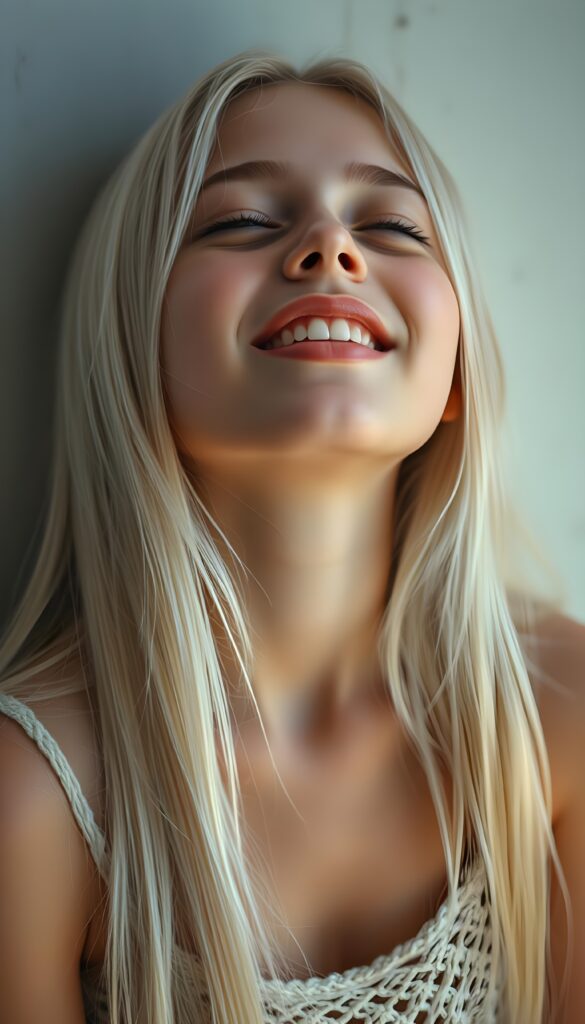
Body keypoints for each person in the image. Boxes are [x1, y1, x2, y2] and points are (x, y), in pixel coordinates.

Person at [0, 48, 583, 1024]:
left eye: (391, 224)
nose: (329, 248)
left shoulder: (562, 719)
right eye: (240, 220)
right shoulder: (39, 800)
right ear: (131, 341)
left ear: (455, 380)